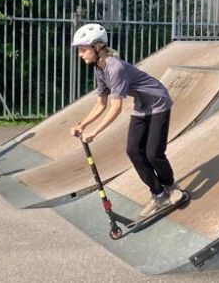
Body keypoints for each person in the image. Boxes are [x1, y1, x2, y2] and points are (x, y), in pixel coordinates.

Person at [68, 23, 184, 218]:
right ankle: (158, 194)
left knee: (153, 153)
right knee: (133, 151)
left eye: (83, 50)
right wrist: (82, 124)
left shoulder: (115, 68)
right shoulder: (99, 69)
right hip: (142, 105)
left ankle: (170, 186)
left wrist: (95, 132)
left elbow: (116, 107)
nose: (80, 55)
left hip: (158, 102)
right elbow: (101, 104)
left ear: (97, 47)